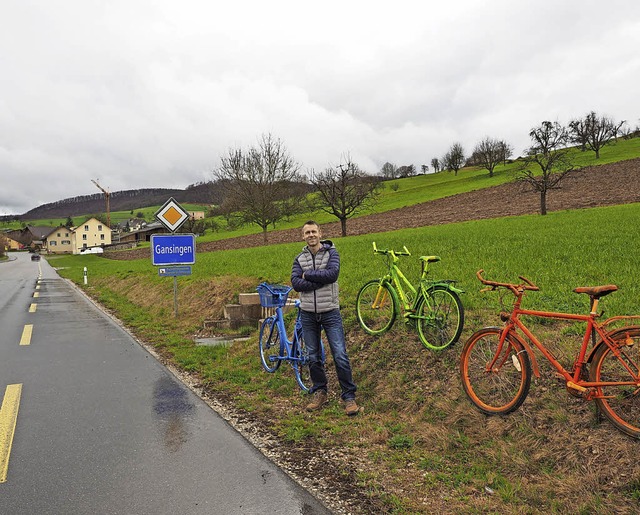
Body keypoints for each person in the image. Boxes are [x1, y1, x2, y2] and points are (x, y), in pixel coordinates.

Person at [291, 221, 359, 416]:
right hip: (308, 313)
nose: (311, 235)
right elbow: (296, 283)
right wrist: (318, 281)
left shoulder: (332, 253)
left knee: (340, 354)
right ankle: (320, 391)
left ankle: (349, 396)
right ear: (302, 236)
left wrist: (308, 276)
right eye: (307, 232)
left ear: (320, 233)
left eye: (314, 231)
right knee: (313, 356)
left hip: (330, 311)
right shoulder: (299, 258)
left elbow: (332, 274)